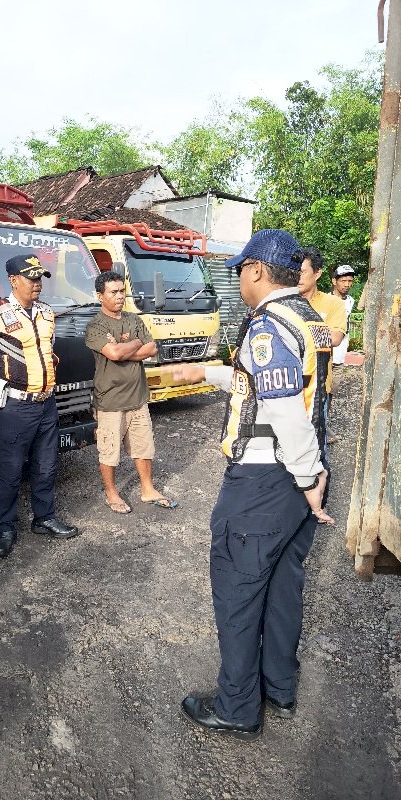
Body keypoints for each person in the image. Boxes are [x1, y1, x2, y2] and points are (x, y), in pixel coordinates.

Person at [172, 229, 333, 741]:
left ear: (257, 271)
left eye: (241, 268)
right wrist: (209, 373)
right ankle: (278, 686)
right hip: (295, 479)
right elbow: (276, 384)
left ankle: (238, 707)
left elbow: (284, 408)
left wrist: (308, 478)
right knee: (284, 585)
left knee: (239, 591)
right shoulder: (309, 319)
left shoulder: (268, 325)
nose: (239, 277)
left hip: (266, 478)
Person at [0, 254, 79, 559]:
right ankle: (4, 527)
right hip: (13, 408)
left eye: (40, 278)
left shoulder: (46, 313)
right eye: (31, 278)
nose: (37, 284)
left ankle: (44, 518)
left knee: (46, 465)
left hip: (46, 404)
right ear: (13, 280)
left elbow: (46, 350)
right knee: (10, 470)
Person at [84, 271, 177, 514]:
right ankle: (111, 494)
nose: (119, 296)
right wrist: (135, 344)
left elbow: (152, 348)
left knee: (144, 446)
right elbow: (113, 354)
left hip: (138, 397)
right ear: (100, 296)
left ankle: (148, 489)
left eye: (122, 291)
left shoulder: (134, 320)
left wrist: (126, 348)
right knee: (109, 450)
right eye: (113, 292)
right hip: (110, 400)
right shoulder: (96, 325)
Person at [298, 248, 347, 444]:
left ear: (317, 273)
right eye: (294, 271)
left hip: (317, 386)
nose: (297, 277)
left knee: (316, 444)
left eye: (302, 272)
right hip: (287, 385)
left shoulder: (333, 303)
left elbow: (335, 338)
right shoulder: (285, 301)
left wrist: (296, 332)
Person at [330, 264, 356, 400]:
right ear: (334, 281)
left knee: (331, 395)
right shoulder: (325, 300)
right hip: (324, 357)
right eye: (343, 281)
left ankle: (324, 421)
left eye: (350, 281)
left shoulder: (350, 301)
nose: (347, 284)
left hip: (339, 357)